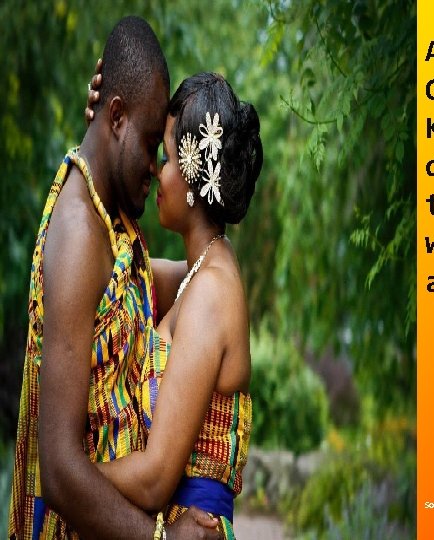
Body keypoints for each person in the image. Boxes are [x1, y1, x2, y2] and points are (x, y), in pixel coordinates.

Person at [8, 16, 221, 539]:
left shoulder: (112, 217)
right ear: (118, 119)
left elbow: (154, 285)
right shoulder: (80, 234)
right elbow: (58, 470)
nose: (155, 167)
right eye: (153, 145)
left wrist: (213, 251)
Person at [86, 71, 262, 538]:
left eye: (163, 156)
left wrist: (67, 477)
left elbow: (156, 477)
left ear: (192, 176)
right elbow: (121, 265)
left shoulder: (211, 292)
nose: (152, 169)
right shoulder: (199, 275)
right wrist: (106, 134)